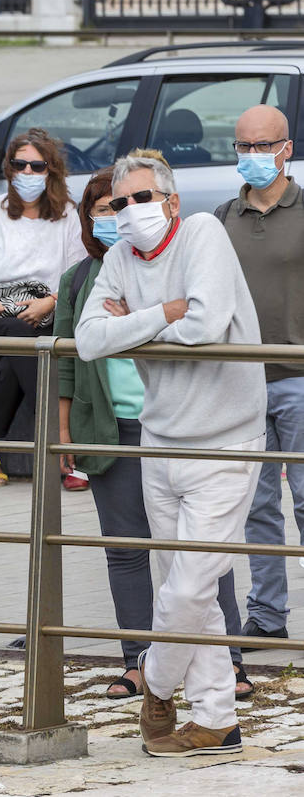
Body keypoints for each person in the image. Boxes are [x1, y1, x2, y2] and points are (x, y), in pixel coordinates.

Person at [76, 154, 266, 758]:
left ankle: (155, 685)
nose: (129, 212)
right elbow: (87, 340)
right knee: (191, 592)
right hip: (158, 443)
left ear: (171, 202)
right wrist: (163, 314)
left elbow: (208, 323)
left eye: (140, 199)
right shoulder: (118, 259)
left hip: (225, 440)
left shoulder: (204, 233)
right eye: (117, 204)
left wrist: (130, 326)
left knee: (188, 587)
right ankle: (216, 721)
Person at [217, 104, 304, 650]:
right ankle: (267, 615)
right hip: (242, 381)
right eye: (242, 147)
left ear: (286, 149)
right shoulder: (223, 217)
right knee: (256, 507)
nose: (252, 156)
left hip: (299, 378)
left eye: (262, 146)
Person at [0, 127, 84, 487]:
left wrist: (50, 302)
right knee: (17, 337)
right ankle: (60, 445)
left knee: (19, 352)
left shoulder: (69, 216)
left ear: (51, 171)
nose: (26, 173)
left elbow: (77, 274)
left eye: (36, 167)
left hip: (45, 318)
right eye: (19, 165)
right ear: (8, 169)